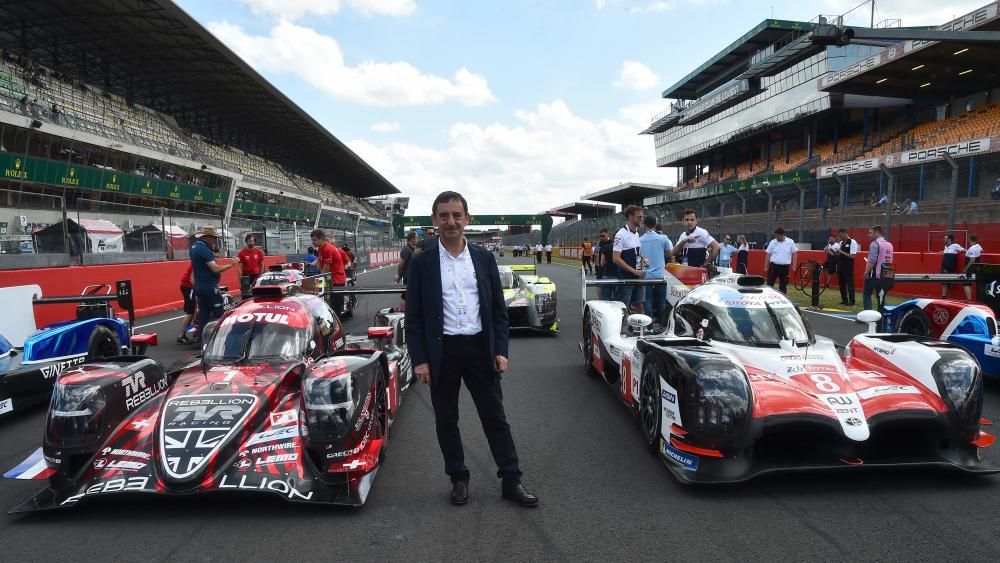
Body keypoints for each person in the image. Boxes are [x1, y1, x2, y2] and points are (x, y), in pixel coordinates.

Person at [405, 190, 537, 508]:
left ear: (467, 218)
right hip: (442, 353)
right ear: (434, 220)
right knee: (446, 420)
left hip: (480, 348)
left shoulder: (484, 257)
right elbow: (414, 317)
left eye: (457, 215)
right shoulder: (422, 262)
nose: (451, 221)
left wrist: (500, 350)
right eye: (444, 215)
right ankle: (458, 478)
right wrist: (420, 359)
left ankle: (511, 479)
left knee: (496, 418)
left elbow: (497, 310)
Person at [190, 226, 238, 340]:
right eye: (214, 238)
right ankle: (223, 341)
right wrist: (231, 264)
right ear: (209, 238)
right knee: (220, 315)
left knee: (203, 316)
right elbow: (215, 269)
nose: (215, 241)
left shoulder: (194, 247)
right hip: (209, 287)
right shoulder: (204, 250)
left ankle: (204, 343)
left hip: (200, 286)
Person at [639, 216, 673, 324]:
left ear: (644, 224)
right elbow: (669, 253)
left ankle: (649, 327)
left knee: (647, 301)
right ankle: (663, 325)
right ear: (655, 224)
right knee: (661, 301)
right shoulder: (663, 238)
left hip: (646, 275)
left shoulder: (639, 240)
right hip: (660, 275)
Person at [613, 205, 647, 313]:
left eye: (642, 216)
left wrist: (642, 258)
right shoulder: (620, 234)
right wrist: (634, 271)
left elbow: (635, 254)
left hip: (638, 276)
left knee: (639, 305)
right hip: (626, 277)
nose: (641, 219)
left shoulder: (636, 233)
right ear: (630, 217)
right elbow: (616, 258)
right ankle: (619, 329)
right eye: (639, 217)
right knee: (622, 308)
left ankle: (638, 329)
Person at [311, 229, 347, 315]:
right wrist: (310, 264)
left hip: (336, 280)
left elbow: (325, 271)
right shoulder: (321, 248)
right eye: (312, 240)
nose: (312, 242)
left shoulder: (327, 249)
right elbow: (319, 260)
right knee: (327, 302)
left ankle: (337, 326)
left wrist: (318, 284)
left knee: (335, 306)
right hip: (330, 278)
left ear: (321, 239)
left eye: (314, 240)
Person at [863, 225, 894, 312]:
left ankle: (868, 315)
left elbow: (872, 261)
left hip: (876, 273)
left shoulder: (874, 244)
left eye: (870, 233)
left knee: (867, 293)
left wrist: (866, 272)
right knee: (881, 297)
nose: (868, 235)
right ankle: (881, 319)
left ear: (876, 233)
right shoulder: (889, 244)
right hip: (887, 273)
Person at [764, 227, 797, 294]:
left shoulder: (790, 242)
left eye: (778, 235)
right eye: (775, 235)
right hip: (774, 266)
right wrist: (766, 266)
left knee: (783, 284)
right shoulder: (772, 242)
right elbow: (768, 254)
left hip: (784, 267)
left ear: (783, 235)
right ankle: (768, 296)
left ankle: (783, 298)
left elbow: (795, 253)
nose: (776, 237)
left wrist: (794, 265)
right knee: (770, 283)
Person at [836, 228, 859, 306]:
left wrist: (841, 252)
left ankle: (852, 301)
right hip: (841, 266)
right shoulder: (842, 243)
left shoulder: (852, 242)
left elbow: (852, 256)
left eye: (840, 235)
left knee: (850, 284)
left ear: (845, 233)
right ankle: (844, 300)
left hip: (848, 267)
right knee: (841, 284)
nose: (840, 237)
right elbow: (839, 254)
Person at [175, 263, 196, 344]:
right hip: (188, 287)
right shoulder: (198, 260)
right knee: (190, 312)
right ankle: (181, 336)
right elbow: (192, 279)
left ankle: (196, 333)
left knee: (197, 311)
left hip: (191, 286)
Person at [940, 234, 965, 298]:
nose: (944, 239)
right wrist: (943, 252)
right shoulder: (945, 247)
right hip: (944, 265)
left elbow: (963, 250)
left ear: (949, 239)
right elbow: (947, 252)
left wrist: (961, 252)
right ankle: (944, 296)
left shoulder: (955, 245)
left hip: (951, 266)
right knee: (943, 281)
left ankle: (949, 291)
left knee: (950, 281)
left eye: (945, 238)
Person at [596, 229, 615, 300]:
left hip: (609, 267)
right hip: (601, 267)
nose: (601, 237)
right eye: (600, 236)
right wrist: (597, 265)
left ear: (607, 234)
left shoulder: (611, 243)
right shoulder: (599, 243)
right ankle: (600, 299)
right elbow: (597, 253)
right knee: (598, 284)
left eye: (603, 235)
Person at [964, 234, 983, 300]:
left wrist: (966, 267)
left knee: (966, 284)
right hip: (976, 267)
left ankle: (969, 299)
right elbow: (981, 250)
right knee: (969, 283)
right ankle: (970, 298)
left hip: (971, 268)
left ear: (970, 239)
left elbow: (972, 259)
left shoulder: (972, 248)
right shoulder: (978, 246)